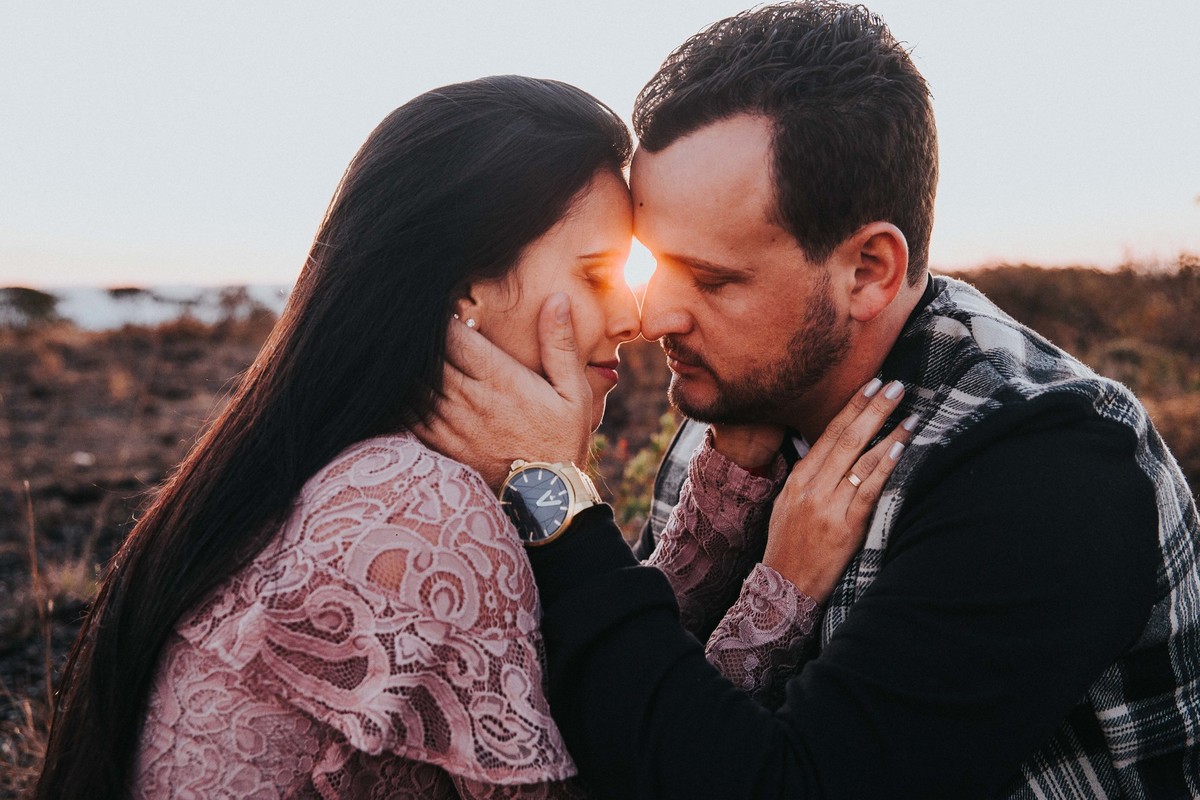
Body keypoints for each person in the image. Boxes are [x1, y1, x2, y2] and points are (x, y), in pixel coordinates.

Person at [34, 74, 907, 800]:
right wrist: (780, 595)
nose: (639, 316)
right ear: (466, 295)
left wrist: (731, 484)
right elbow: (626, 772)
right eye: (599, 274)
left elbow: (574, 676)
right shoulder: (422, 512)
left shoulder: (377, 463)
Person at [419, 4, 1200, 799]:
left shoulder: (1047, 470)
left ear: (868, 271)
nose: (653, 319)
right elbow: (656, 701)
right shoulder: (740, 403)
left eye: (715, 279)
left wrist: (558, 500)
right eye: (656, 266)